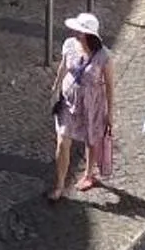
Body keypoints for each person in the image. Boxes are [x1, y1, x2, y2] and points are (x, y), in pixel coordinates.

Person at [49, 12, 117, 201]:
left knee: (91, 139)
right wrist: (56, 87)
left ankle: (89, 174)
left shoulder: (104, 56)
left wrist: (110, 114)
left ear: (89, 35)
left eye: (79, 31)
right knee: (62, 141)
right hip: (68, 101)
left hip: (92, 104)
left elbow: (110, 86)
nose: (75, 33)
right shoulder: (69, 45)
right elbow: (64, 66)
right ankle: (60, 185)